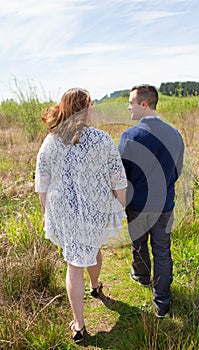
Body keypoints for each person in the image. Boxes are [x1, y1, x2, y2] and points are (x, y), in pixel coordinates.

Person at [35, 87, 127, 343]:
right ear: (84, 109)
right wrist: (122, 204)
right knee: (90, 249)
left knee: (73, 263)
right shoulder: (101, 139)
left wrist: (46, 213)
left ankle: (79, 325)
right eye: (90, 105)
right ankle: (94, 290)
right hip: (93, 209)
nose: (93, 109)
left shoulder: (50, 140)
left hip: (63, 211)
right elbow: (117, 178)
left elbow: (42, 182)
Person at [118, 84, 184, 318]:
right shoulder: (175, 134)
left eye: (131, 102)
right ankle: (162, 302)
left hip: (137, 205)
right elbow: (178, 170)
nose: (128, 107)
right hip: (164, 204)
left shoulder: (129, 136)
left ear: (143, 105)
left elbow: (121, 175)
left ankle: (142, 276)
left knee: (139, 243)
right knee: (162, 251)